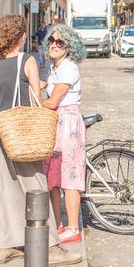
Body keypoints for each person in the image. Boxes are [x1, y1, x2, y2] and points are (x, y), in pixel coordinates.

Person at [0, 15, 81, 266]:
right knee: (36, 186)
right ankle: (50, 247)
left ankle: (5, 246)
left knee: (3, 189)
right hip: (19, 130)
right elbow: (37, 101)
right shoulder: (26, 60)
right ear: (20, 37)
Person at [42, 24, 88, 245]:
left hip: (68, 123)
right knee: (53, 176)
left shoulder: (68, 67)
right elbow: (43, 87)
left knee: (69, 176)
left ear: (68, 47)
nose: (54, 45)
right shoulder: (55, 68)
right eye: (51, 41)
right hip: (56, 124)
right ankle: (57, 224)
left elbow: (53, 102)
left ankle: (72, 228)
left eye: (59, 42)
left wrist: (34, 104)